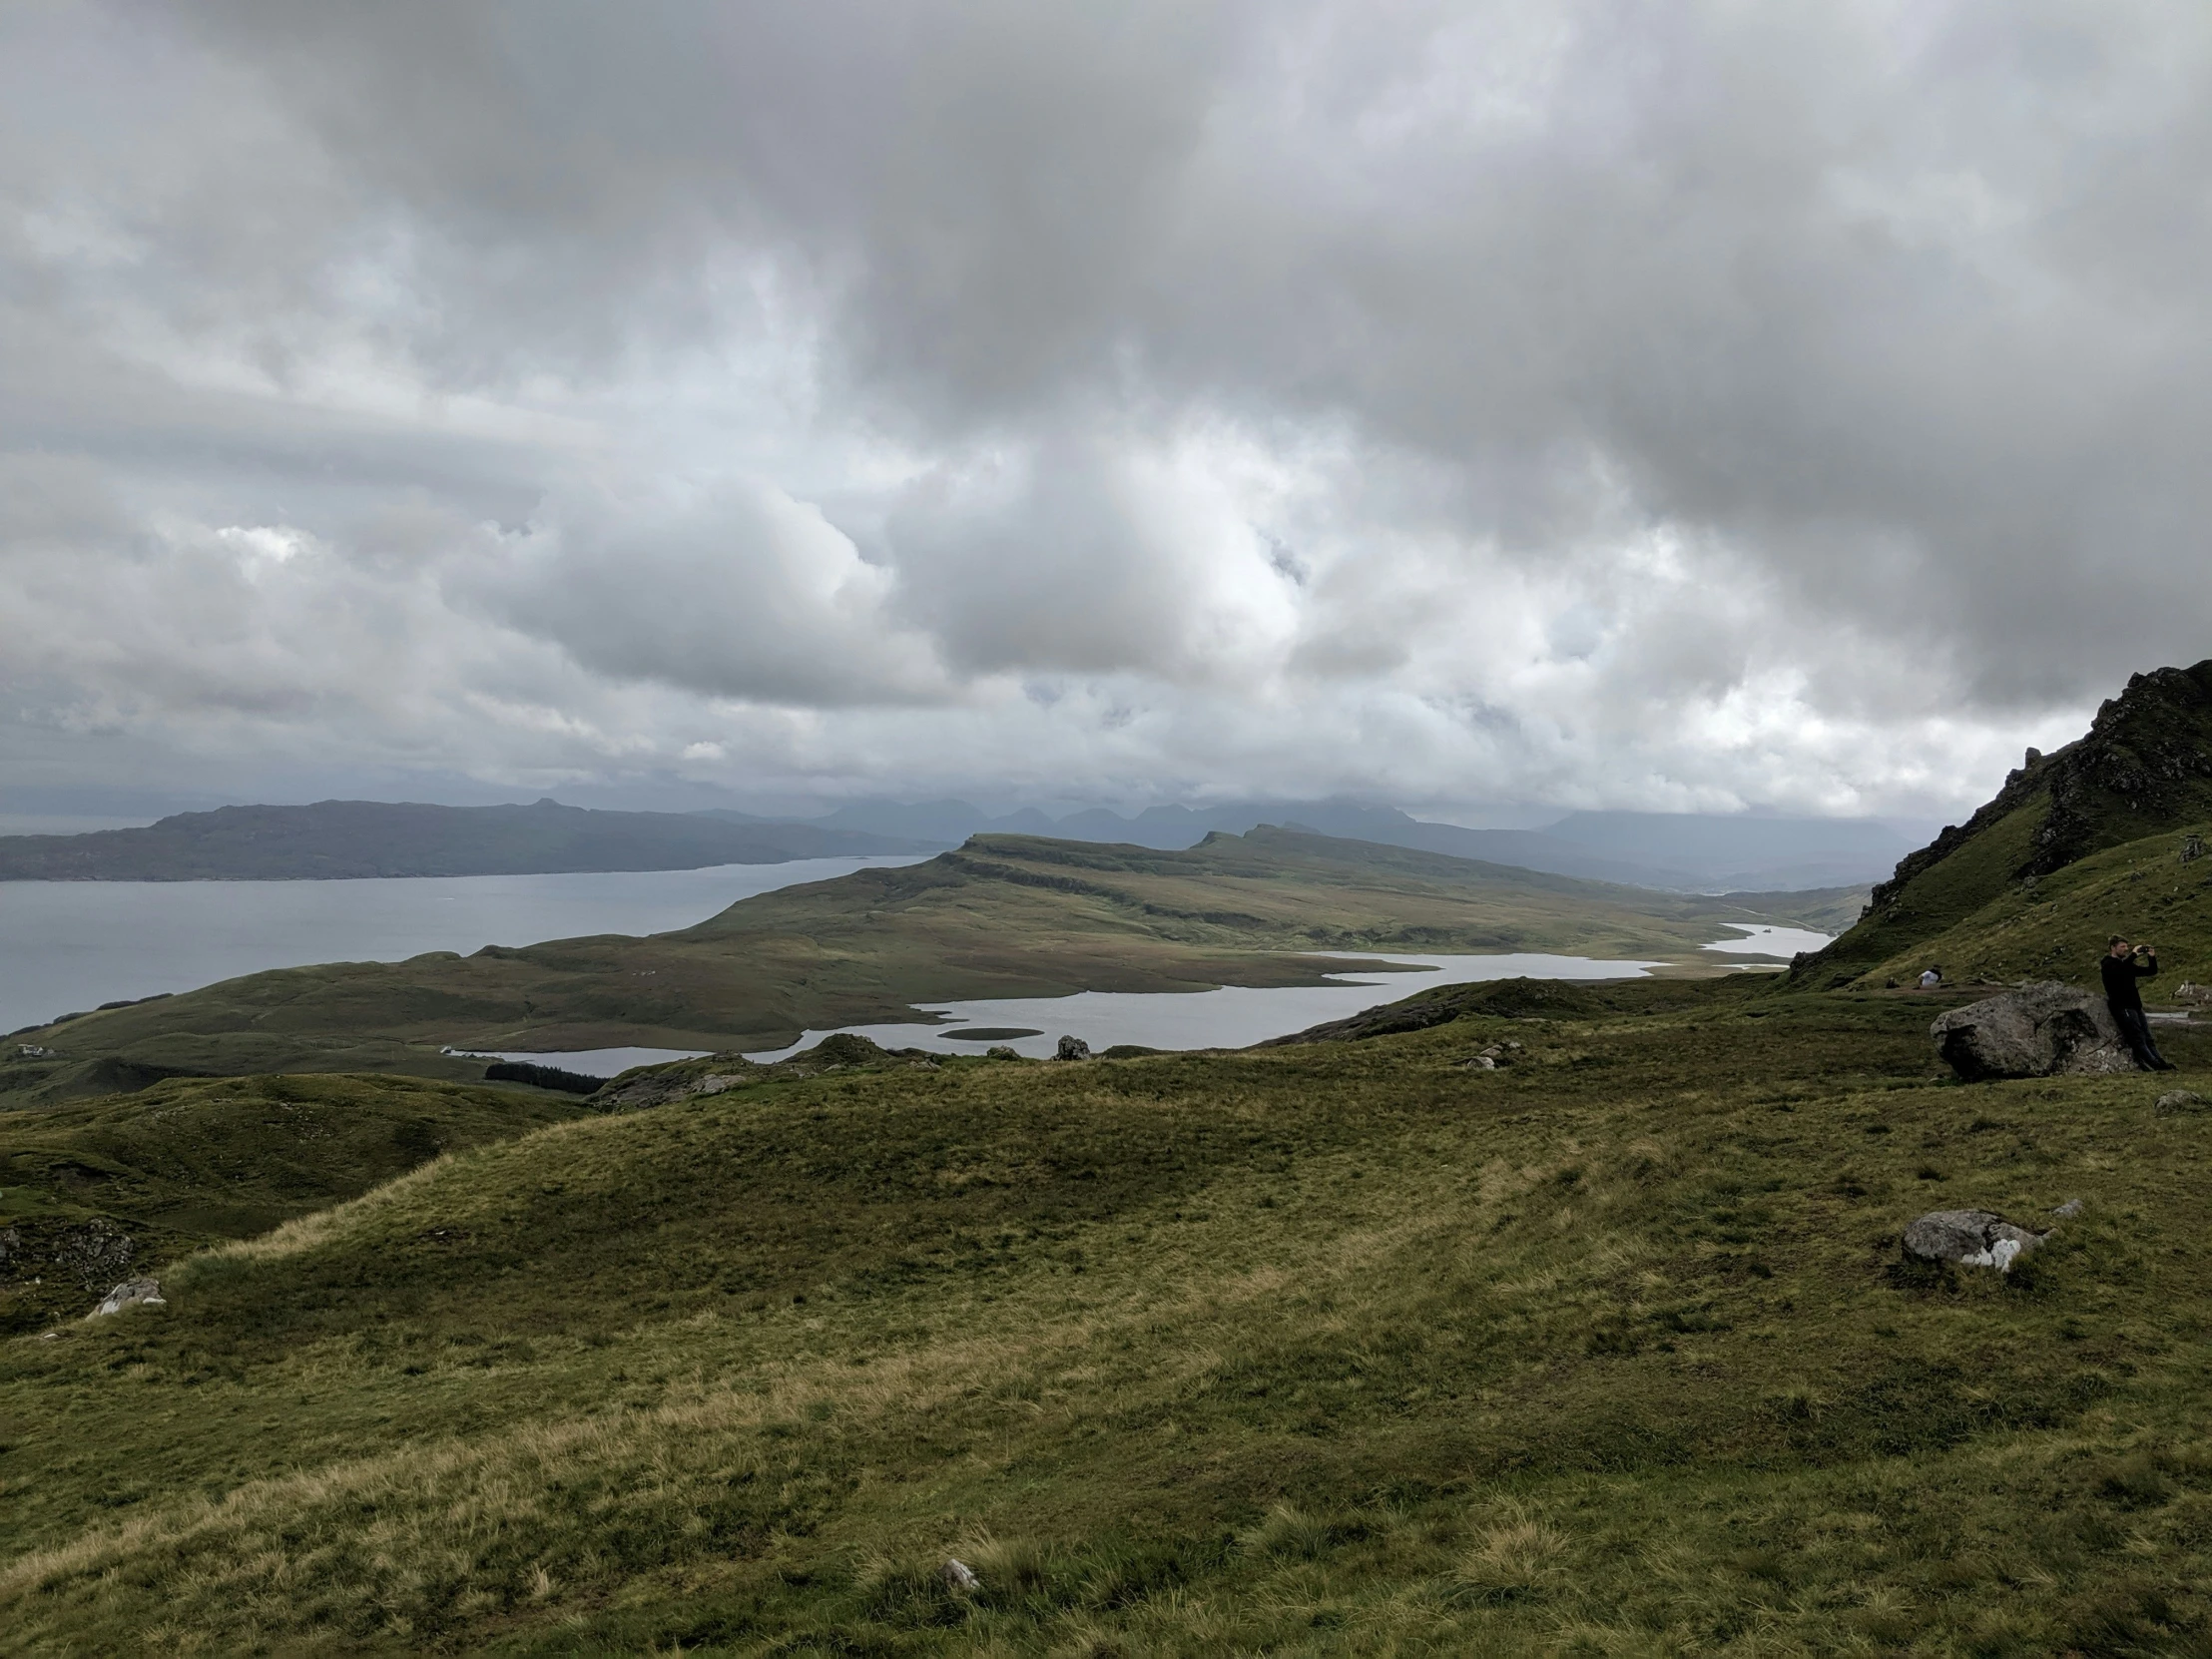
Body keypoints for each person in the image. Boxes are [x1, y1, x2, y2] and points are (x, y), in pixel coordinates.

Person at [2101, 935, 2174, 1071]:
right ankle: (2155, 1065)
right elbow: (2119, 970)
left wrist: (2151, 957)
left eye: (2127, 947)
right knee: (2138, 1037)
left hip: (2135, 1006)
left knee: (2148, 1037)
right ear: (2113, 947)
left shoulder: (2126, 964)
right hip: (2123, 1007)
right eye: (2122, 947)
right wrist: (2134, 955)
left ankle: (2161, 1063)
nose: (2126, 949)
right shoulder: (2108, 964)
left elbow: (2151, 971)